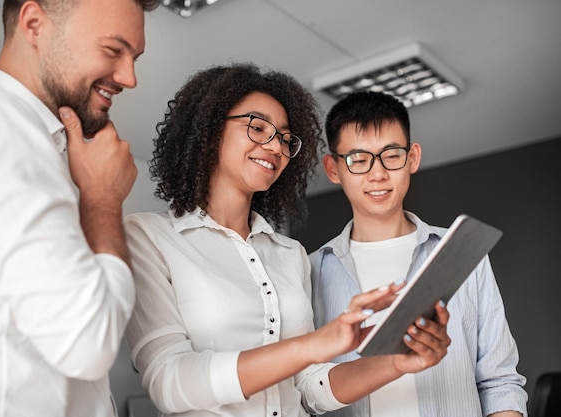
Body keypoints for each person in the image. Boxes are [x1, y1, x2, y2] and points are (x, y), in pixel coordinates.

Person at [123, 63, 451, 417]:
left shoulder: (290, 253)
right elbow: (169, 383)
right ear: (209, 129)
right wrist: (312, 345)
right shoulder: (149, 236)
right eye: (258, 127)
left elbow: (310, 387)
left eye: (283, 137)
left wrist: (397, 364)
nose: (275, 146)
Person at [0, 0, 160, 416]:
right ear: (34, 24)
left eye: (135, 58)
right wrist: (103, 198)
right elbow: (85, 341)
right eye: (114, 50)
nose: (129, 78)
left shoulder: (32, 146)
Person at [310, 90, 528, 417]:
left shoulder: (463, 255)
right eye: (358, 158)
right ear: (333, 168)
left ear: (412, 158)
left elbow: (500, 382)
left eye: (391, 154)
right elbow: (306, 394)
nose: (378, 173)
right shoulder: (309, 273)